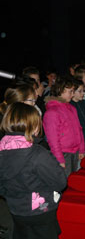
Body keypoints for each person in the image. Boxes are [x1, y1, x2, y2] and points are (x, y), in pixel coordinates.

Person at [0, 102, 67, 239]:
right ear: (34, 126)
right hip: (41, 211)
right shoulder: (37, 154)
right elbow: (60, 182)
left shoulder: (1, 151)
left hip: (16, 209)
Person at [43, 77, 85, 176]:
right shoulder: (52, 112)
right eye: (70, 91)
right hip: (63, 153)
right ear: (60, 91)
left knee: (72, 179)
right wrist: (59, 158)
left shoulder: (72, 108)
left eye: (73, 91)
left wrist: (81, 148)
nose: (73, 94)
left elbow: (79, 129)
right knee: (63, 182)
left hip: (75, 151)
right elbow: (53, 139)